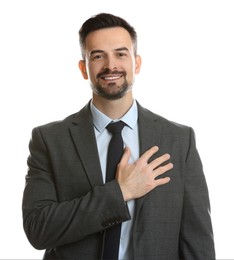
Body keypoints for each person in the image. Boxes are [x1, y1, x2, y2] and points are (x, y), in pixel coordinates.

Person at [22, 13, 215, 260]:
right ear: (84, 68)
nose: (110, 65)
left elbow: (198, 243)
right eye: (98, 55)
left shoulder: (178, 140)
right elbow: (37, 229)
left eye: (121, 54)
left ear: (137, 63)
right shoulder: (49, 140)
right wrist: (120, 192)